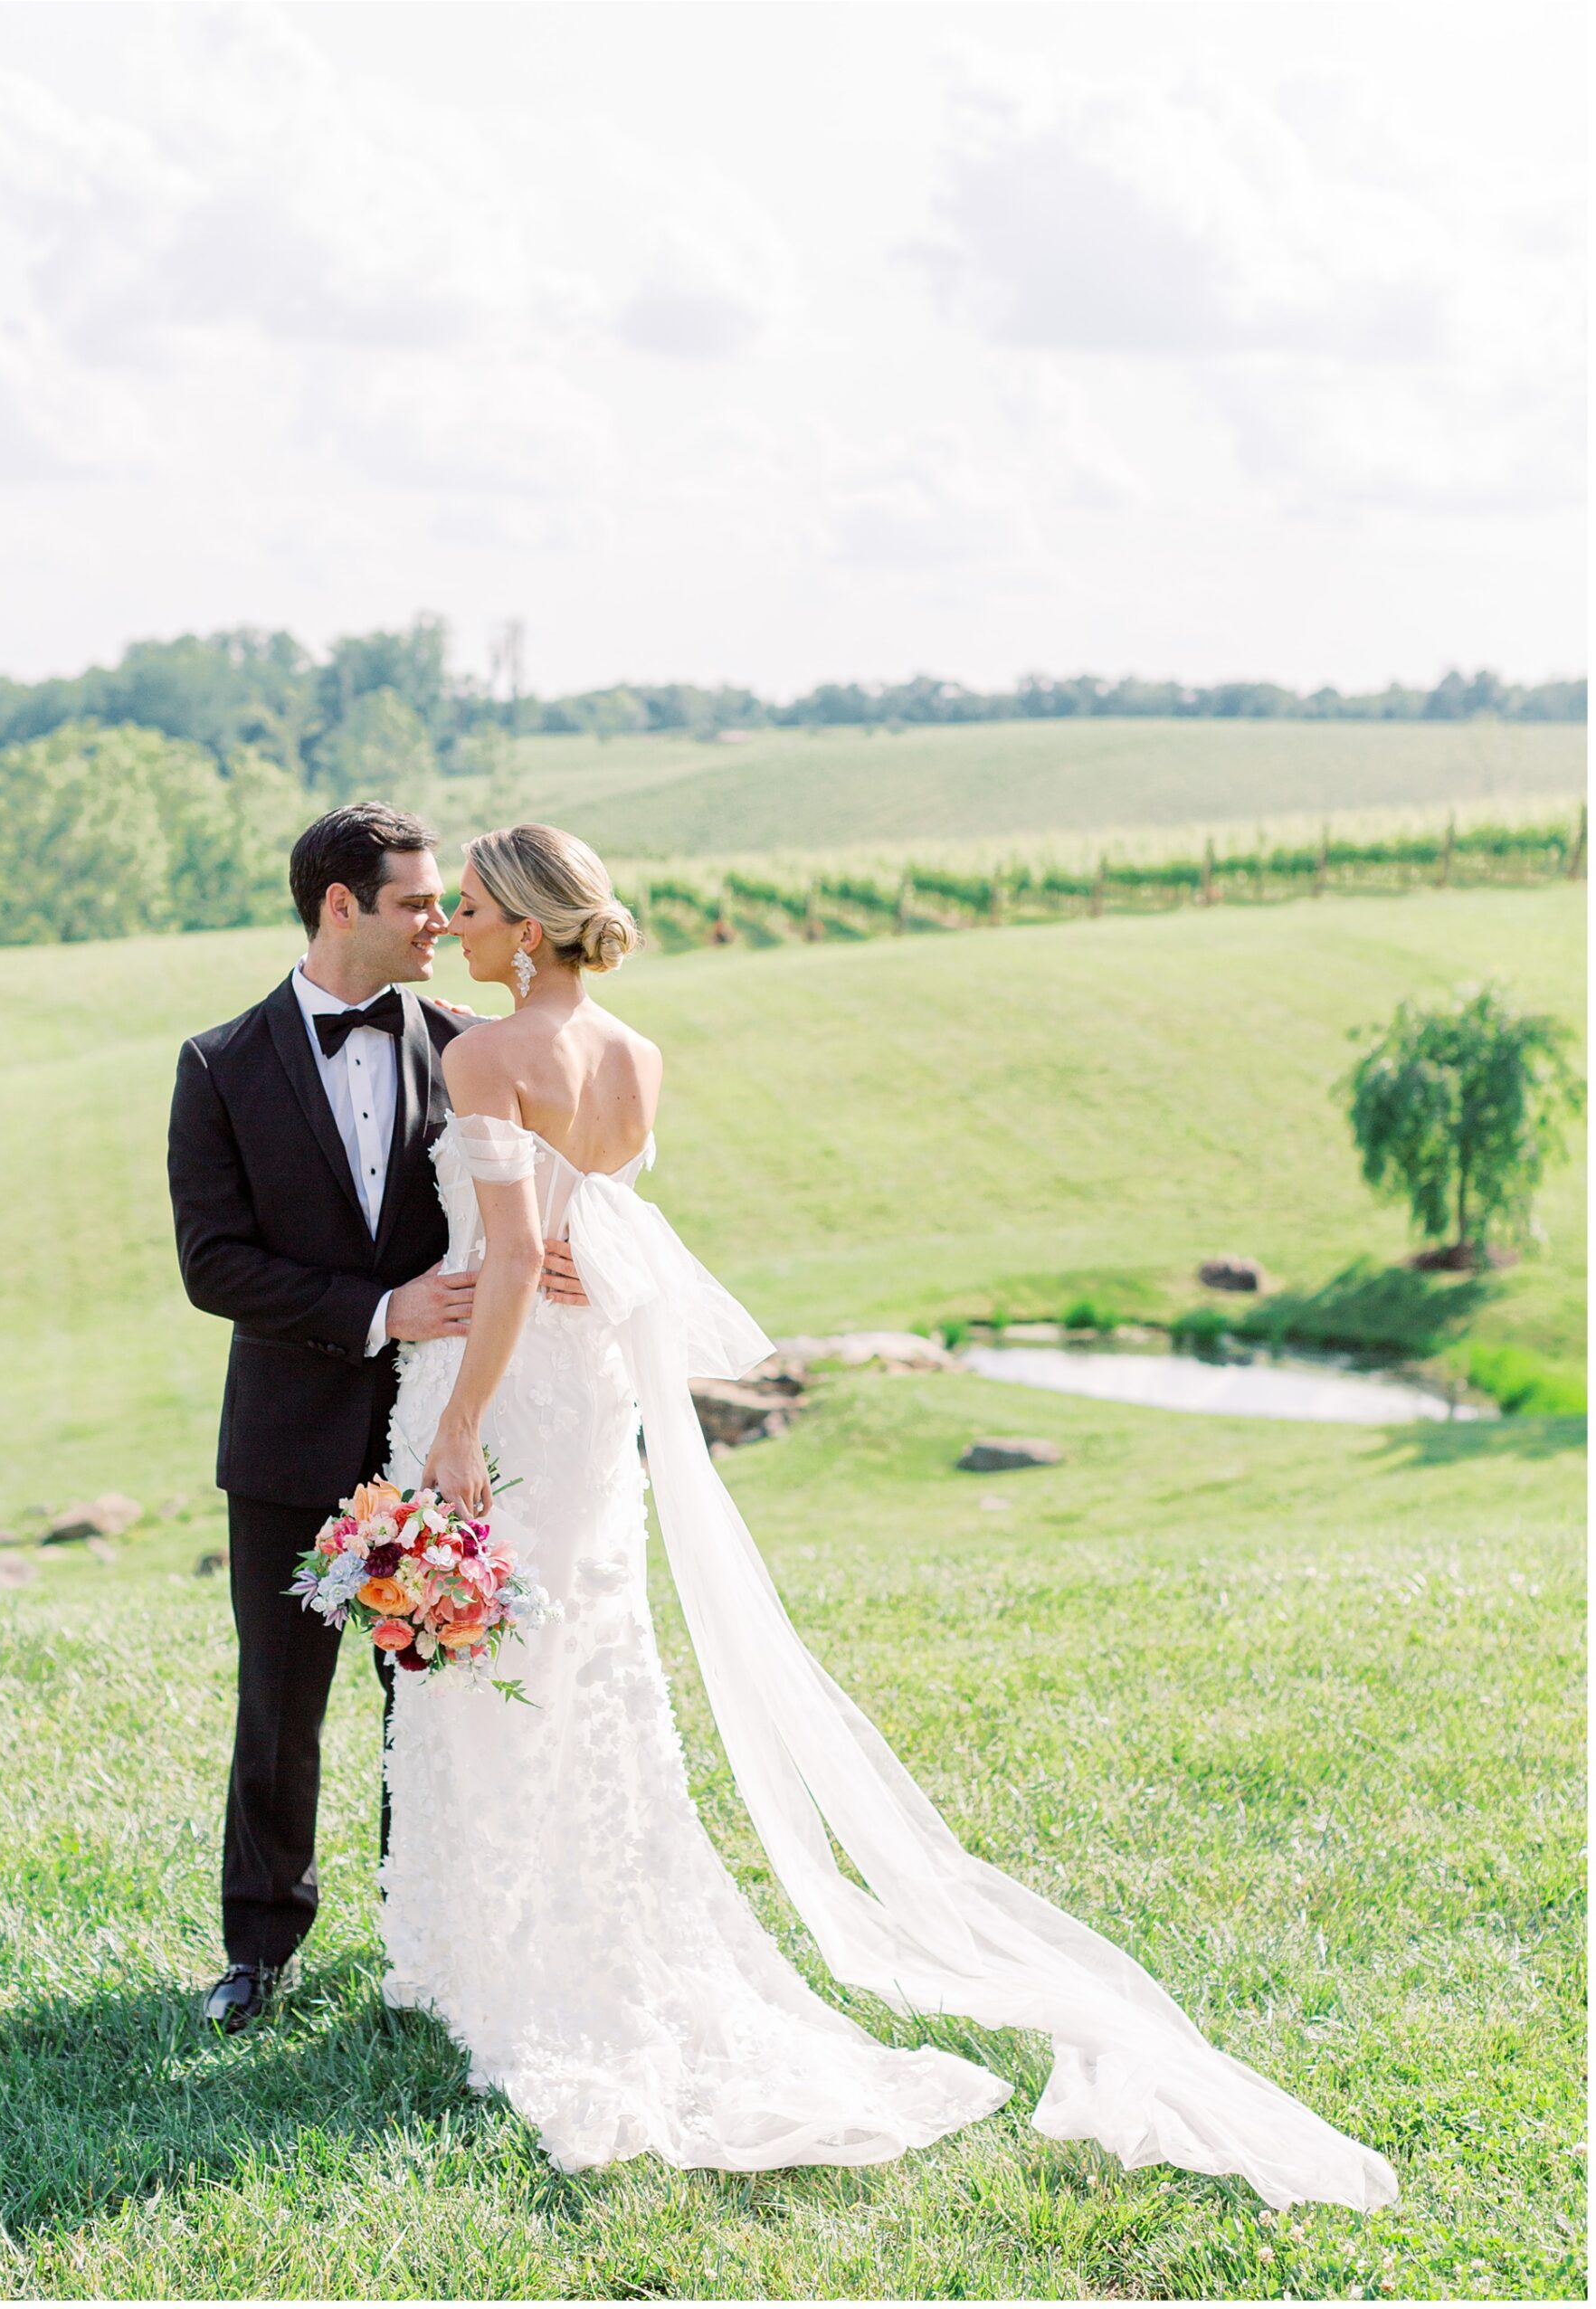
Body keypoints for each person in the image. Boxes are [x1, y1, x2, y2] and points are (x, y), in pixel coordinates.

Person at [376, 822, 1401, 2207]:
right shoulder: (635, 1057)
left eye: (480, 911)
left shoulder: (485, 1055)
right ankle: (544, 1931)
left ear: (533, 927)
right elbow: (594, 1230)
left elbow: (508, 1268)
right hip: (595, 1400)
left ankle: (500, 1961)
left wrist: (450, 1427)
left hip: (509, 1398)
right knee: (586, 1660)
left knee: (507, 1658)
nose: (460, 934)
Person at [166, 803, 586, 2033]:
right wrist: (378, 1308)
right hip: (288, 1431)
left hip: (435, 1432)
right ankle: (259, 1950)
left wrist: (572, 1260)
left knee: (437, 1699)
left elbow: (556, 1208)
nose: (439, 923)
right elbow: (213, 1268)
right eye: (414, 903)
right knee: (279, 1703)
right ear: (337, 906)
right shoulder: (218, 1065)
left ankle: (424, 1932)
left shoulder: (471, 1044)